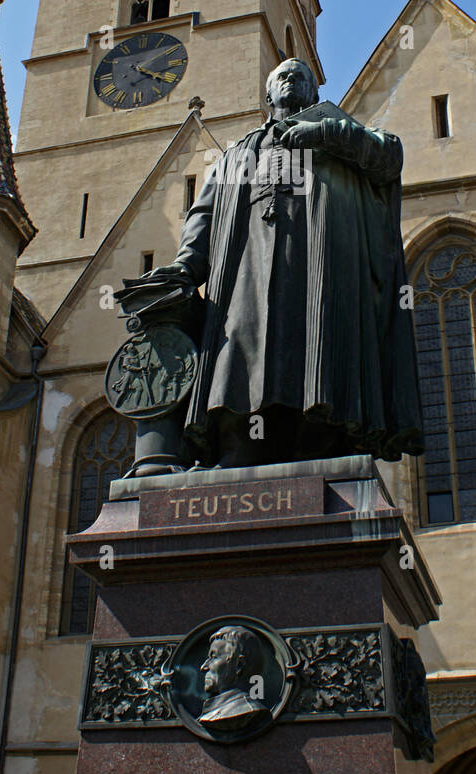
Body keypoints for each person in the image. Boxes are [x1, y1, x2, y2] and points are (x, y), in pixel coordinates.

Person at [146, 58, 423, 469]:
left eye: (301, 76)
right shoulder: (237, 154)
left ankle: (322, 446)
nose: (291, 79)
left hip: (323, 264)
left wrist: (327, 133)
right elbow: (203, 215)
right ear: (268, 94)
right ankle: (240, 447)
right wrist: (187, 263)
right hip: (247, 270)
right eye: (282, 77)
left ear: (315, 93)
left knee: (319, 345)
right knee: (239, 344)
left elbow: (390, 156)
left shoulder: (339, 132)